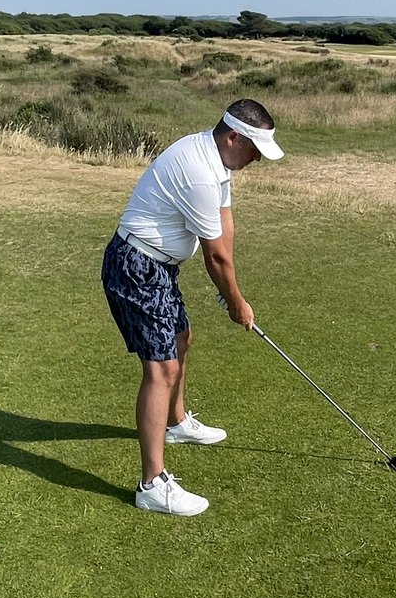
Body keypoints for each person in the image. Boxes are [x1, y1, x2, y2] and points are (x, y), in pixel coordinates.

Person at [101, 98, 283, 516]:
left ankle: (176, 423)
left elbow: (224, 227)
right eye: (254, 150)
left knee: (182, 338)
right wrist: (237, 302)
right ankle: (151, 484)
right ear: (234, 136)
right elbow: (214, 257)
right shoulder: (200, 170)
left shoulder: (217, 159)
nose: (256, 159)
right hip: (135, 265)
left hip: (158, 267)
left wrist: (231, 290)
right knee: (160, 369)